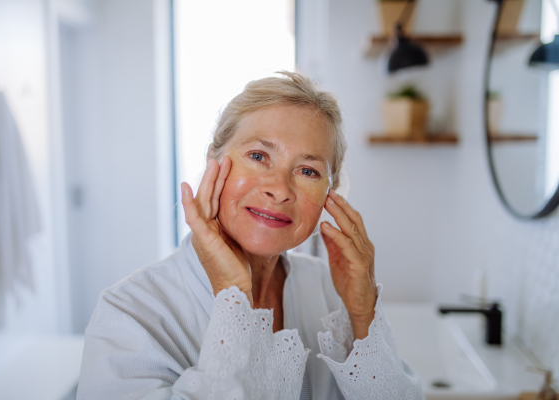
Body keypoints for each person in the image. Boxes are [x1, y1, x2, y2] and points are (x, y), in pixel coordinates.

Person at [77, 71, 424, 400]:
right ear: (213, 161)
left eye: (308, 170)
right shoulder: (129, 314)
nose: (279, 189)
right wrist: (234, 301)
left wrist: (363, 316)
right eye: (258, 156)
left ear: (330, 195)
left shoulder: (333, 292)